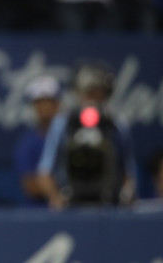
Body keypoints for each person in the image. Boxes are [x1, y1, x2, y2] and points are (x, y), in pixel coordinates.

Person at [37, 61, 137, 210]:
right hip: (70, 204)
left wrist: (127, 198)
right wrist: (56, 198)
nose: (93, 98)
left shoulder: (116, 123)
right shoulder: (63, 123)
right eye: (89, 92)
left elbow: (128, 172)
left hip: (109, 205)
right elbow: (45, 171)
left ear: (106, 94)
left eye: (98, 92)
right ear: (78, 93)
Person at [13, 75, 62, 207]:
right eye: (40, 102)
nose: (44, 107)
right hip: (38, 213)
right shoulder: (27, 143)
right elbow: (30, 186)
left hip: (75, 209)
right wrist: (60, 192)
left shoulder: (69, 137)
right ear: (34, 106)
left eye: (48, 101)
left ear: (57, 104)